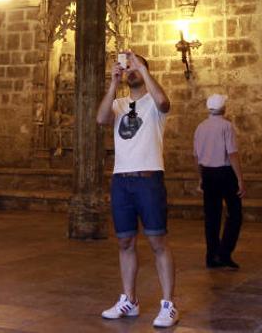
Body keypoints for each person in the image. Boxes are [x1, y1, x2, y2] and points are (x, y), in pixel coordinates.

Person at [96, 50, 179, 328]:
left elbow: (165, 103)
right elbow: (101, 119)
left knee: (157, 242)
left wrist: (143, 70)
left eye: (133, 66)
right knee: (125, 242)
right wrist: (112, 82)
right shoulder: (119, 103)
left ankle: (168, 304)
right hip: (122, 180)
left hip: (149, 178)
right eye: (126, 66)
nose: (128, 69)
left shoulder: (153, 103)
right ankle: (129, 300)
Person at [194, 94, 245, 270]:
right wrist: (239, 178)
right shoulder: (226, 126)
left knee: (212, 216)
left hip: (208, 174)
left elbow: (197, 157)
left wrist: (200, 177)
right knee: (235, 214)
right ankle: (224, 253)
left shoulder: (200, 127)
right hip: (225, 173)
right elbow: (232, 153)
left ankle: (211, 256)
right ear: (224, 108)